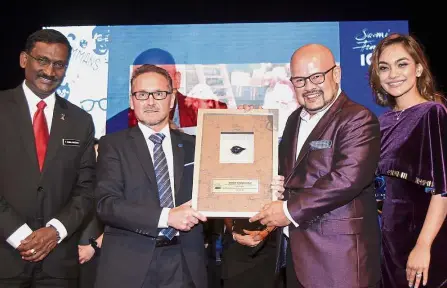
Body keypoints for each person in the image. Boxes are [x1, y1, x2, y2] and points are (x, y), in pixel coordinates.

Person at [249, 43, 382, 287]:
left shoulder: (357, 119)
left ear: (336, 74)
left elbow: (347, 180)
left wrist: (287, 210)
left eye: (317, 77)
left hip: (338, 260)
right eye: (299, 80)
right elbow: (287, 174)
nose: (309, 87)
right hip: (296, 258)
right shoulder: (293, 120)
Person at [94, 64, 208, 288]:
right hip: (129, 265)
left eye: (159, 94)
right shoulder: (112, 145)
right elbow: (106, 205)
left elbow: (221, 185)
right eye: (142, 94)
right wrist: (167, 217)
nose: (150, 101)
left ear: (172, 99)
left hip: (184, 263)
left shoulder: (195, 146)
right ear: (132, 100)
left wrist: (245, 121)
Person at [0, 29, 96, 287]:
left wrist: (55, 231)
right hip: (5, 258)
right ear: (23, 60)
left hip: (58, 264)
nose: (50, 72)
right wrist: (20, 236)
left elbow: (86, 189)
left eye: (59, 64)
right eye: (42, 60)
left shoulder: (81, 121)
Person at [368, 33, 447, 288]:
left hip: (424, 239)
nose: (393, 74)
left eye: (402, 64)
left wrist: (424, 245)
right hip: (390, 241)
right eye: (384, 67)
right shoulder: (383, 122)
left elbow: (443, 190)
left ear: (419, 68)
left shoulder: (433, 113)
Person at [130, 48, 228, 129]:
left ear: (177, 79)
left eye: (163, 75)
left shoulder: (212, 113)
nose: (153, 85)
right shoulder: (118, 125)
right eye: (142, 77)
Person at [78, 139, 104, 288]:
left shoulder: (113, 183)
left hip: (99, 252)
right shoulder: (78, 182)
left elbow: (121, 220)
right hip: (73, 253)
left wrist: (93, 247)